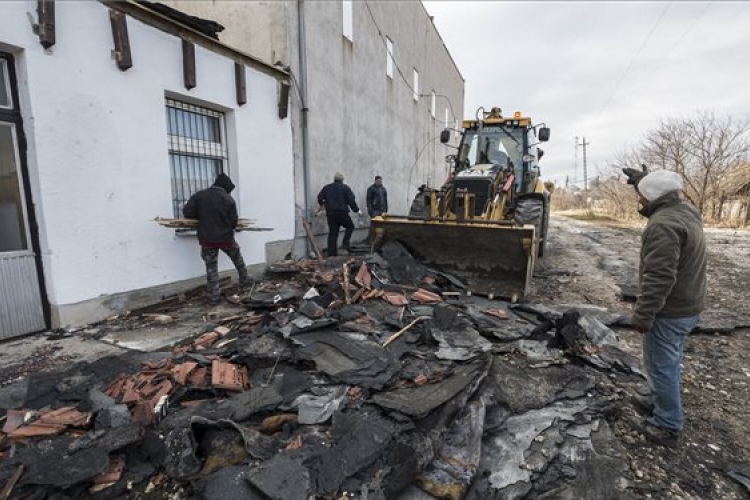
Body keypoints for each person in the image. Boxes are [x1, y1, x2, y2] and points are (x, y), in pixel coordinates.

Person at [622, 167, 707, 447]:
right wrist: (643, 183)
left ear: (653, 198)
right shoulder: (685, 211)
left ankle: (668, 423)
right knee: (665, 359)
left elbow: (659, 277)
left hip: (670, 311)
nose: (639, 202)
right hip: (689, 305)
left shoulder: (662, 226)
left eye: (642, 197)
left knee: (661, 365)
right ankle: (655, 398)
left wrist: (643, 314)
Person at [183, 173, 252, 305]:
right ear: (225, 187)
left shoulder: (199, 196)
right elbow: (233, 222)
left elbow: (187, 212)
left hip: (207, 240)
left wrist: (202, 215)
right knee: (238, 260)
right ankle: (245, 280)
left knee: (211, 269)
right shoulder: (228, 199)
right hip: (226, 239)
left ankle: (214, 297)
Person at [317, 172, 361, 257]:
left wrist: (324, 204)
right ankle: (345, 242)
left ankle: (332, 254)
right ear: (342, 180)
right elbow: (351, 200)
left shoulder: (327, 188)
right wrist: (356, 210)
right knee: (350, 226)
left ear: (334, 179)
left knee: (333, 233)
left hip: (331, 214)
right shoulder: (345, 188)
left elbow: (320, 198)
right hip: (342, 213)